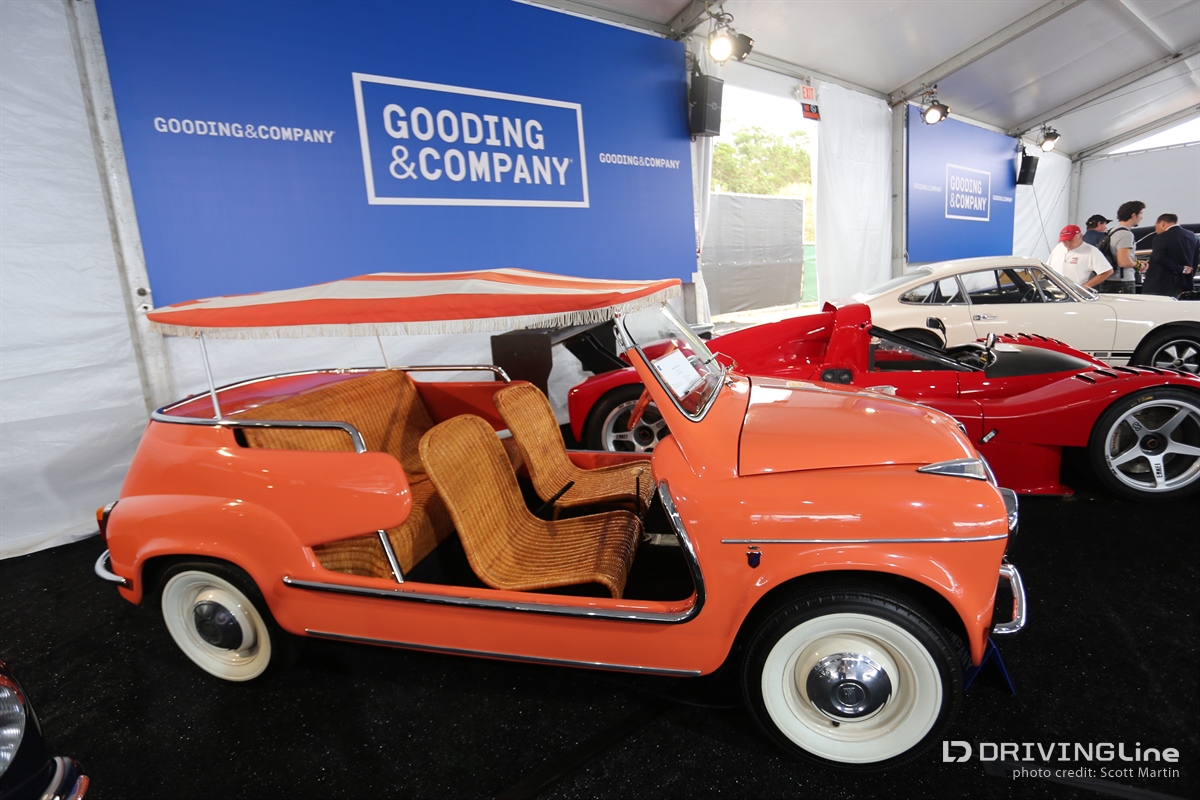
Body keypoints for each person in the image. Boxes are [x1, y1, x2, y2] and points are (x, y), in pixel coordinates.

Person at [1143, 214, 1198, 297]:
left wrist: (1180, 268)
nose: (1156, 230)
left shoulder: (1161, 237)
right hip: (1182, 284)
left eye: (1156, 226)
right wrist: (1187, 275)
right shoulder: (1193, 237)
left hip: (1159, 284)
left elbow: (1159, 257)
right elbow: (1195, 260)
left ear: (1162, 223)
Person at [1048, 224, 1112, 289]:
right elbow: (1048, 267)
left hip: (1073, 293)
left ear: (1080, 236)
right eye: (1064, 241)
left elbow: (1107, 271)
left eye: (1070, 240)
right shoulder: (1058, 247)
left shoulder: (1091, 251)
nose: (1068, 244)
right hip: (1053, 290)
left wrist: (1085, 286)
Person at [1100, 201, 1145, 293]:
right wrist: (1139, 265)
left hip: (1109, 279)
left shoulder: (1111, 231)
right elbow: (1123, 262)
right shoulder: (1125, 234)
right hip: (1122, 282)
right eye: (1141, 213)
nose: (1142, 217)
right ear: (1133, 215)